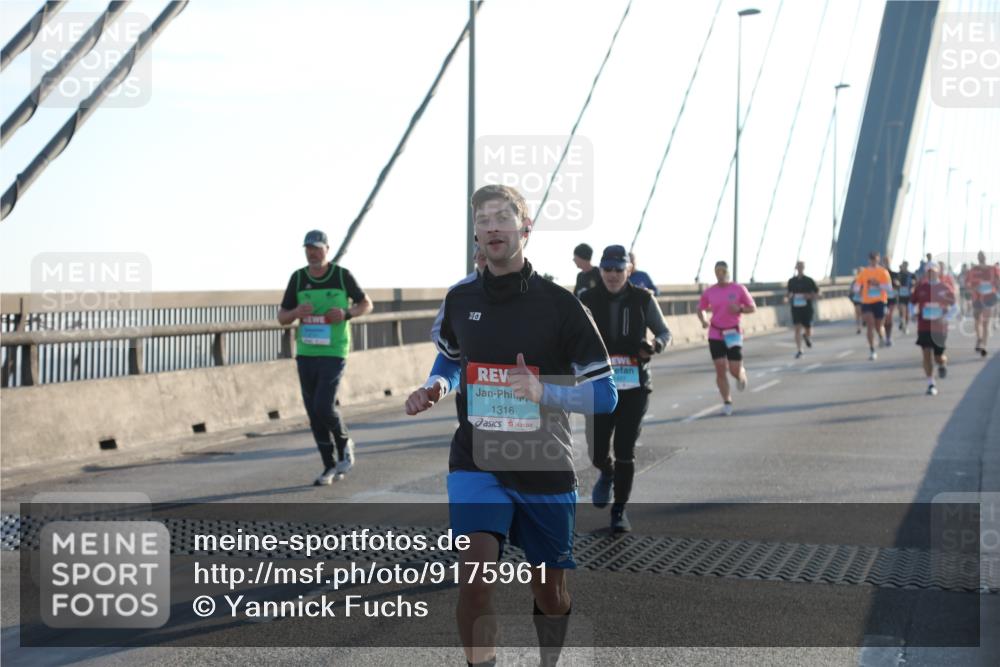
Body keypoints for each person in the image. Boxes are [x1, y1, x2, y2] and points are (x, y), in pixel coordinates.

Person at [404, 184, 617, 667]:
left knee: (550, 593)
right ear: (475, 234)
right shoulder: (460, 299)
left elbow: (606, 395)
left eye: (502, 217)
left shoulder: (561, 305)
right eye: (483, 220)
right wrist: (435, 386)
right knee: (475, 581)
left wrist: (546, 393)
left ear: (525, 228)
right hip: (476, 459)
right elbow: (451, 357)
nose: (492, 227)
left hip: (543, 463)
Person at [580, 245, 671, 533]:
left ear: (628, 270)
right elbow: (570, 335)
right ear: (600, 270)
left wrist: (654, 345)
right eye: (607, 269)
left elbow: (664, 332)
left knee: (624, 449)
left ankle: (619, 511)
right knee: (596, 451)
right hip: (599, 385)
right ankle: (606, 473)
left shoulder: (643, 299)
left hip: (634, 386)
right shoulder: (586, 299)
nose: (612, 275)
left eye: (618, 269)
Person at [278, 230, 374, 485]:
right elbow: (282, 317)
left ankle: (344, 442)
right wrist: (296, 312)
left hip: (334, 351)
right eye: (308, 248)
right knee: (313, 412)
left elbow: (366, 304)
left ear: (327, 250)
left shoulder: (341, 276)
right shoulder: (299, 278)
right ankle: (328, 466)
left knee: (323, 406)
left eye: (317, 248)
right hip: (306, 352)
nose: (312, 253)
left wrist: (345, 313)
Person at [696, 260, 757, 416]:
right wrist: (704, 320)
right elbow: (701, 308)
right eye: (718, 272)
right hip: (715, 332)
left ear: (728, 272)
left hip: (733, 333)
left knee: (734, 370)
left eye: (723, 271)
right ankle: (727, 401)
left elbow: (752, 307)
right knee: (720, 368)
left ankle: (740, 374)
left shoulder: (738, 289)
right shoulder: (710, 291)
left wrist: (740, 309)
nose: (720, 274)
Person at [910, 263, 955, 395]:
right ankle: (931, 383)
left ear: (938, 272)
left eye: (933, 271)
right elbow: (912, 303)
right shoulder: (921, 288)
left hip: (939, 327)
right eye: (929, 272)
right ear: (926, 273)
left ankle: (942, 364)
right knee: (926, 353)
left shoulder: (945, 287)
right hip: (924, 325)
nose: (931, 274)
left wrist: (946, 317)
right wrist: (912, 313)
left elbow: (954, 307)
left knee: (938, 357)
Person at [856, 252, 892, 360]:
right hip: (867, 302)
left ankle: (881, 336)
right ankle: (872, 350)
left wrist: (878, 285)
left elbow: (889, 288)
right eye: (871, 259)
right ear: (869, 260)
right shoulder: (864, 272)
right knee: (870, 325)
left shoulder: (883, 272)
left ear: (878, 259)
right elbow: (856, 286)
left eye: (875, 259)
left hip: (880, 301)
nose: (873, 261)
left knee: (878, 325)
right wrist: (858, 289)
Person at [966, 251, 1000, 357]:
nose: (982, 257)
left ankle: (984, 345)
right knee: (977, 321)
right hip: (977, 297)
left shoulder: (992, 269)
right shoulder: (973, 270)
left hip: (989, 297)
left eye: (983, 255)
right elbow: (967, 284)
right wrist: (972, 288)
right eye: (980, 255)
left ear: (986, 257)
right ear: (978, 257)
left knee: (986, 322)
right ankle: (979, 338)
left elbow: (998, 281)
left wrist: (996, 287)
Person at [786, 260, 819, 359]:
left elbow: (817, 293)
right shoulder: (792, 281)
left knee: (808, 328)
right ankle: (799, 350)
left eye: (801, 266)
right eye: (798, 266)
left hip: (807, 307)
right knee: (797, 328)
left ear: (804, 268)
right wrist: (788, 297)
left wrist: (809, 296)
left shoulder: (809, 280)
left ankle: (806, 336)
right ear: (796, 268)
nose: (800, 268)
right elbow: (788, 293)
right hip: (796, 308)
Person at [881, 255, 899, 346]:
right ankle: (883, 337)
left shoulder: (894, 274)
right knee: (883, 319)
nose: (886, 263)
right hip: (882, 299)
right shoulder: (880, 274)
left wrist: (896, 283)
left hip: (892, 299)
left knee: (889, 317)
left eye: (887, 262)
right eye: (885, 261)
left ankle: (888, 337)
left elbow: (899, 285)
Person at [896, 260, 916, 334]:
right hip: (901, 294)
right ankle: (902, 322)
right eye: (903, 265)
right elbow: (895, 282)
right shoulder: (899, 274)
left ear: (907, 266)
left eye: (905, 265)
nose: (904, 267)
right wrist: (897, 283)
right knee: (902, 309)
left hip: (909, 295)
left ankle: (905, 325)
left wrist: (913, 284)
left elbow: (915, 282)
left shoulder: (911, 274)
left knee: (907, 312)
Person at [850, 267, 864, 334]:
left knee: (863, 313)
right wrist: (857, 290)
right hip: (857, 299)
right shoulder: (855, 281)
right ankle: (859, 327)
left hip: (866, 300)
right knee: (858, 313)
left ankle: (864, 322)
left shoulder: (866, 280)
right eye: (859, 272)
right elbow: (852, 290)